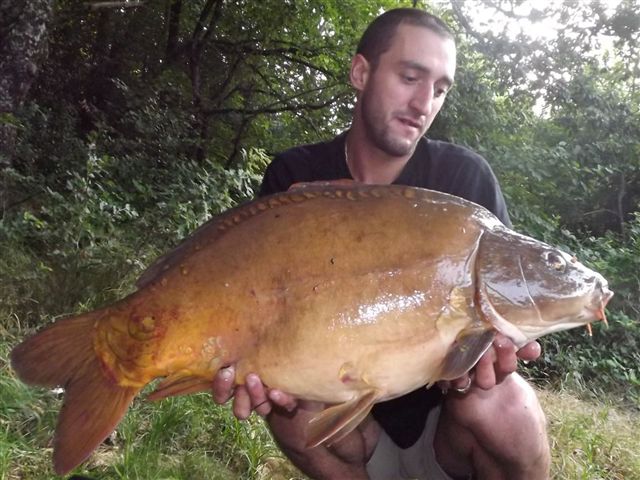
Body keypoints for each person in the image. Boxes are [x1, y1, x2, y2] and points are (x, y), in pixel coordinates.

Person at [212, 8, 550, 480]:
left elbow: (504, 300)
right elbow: (257, 307)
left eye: (440, 89)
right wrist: (249, 363)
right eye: (411, 77)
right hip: (354, 432)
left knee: (506, 405)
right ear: (360, 72)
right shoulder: (294, 177)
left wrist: (480, 360)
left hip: (446, 432)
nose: (423, 102)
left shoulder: (464, 180)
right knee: (292, 411)